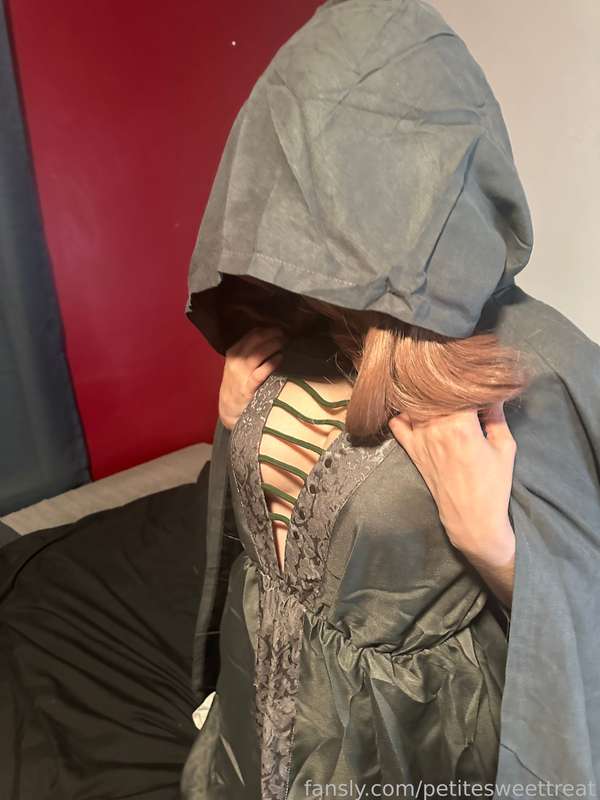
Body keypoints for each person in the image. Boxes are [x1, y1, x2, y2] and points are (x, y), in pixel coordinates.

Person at [181, 1, 600, 798]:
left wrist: (494, 547)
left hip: (409, 754)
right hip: (255, 718)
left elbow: (582, 632)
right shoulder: (285, 313)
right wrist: (235, 422)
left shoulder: (533, 363)